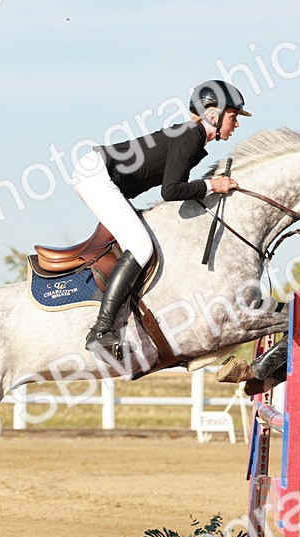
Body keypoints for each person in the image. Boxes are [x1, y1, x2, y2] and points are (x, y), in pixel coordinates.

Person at [74, 80, 250, 359]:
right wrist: (212, 185)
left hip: (99, 174)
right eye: (234, 116)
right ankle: (101, 331)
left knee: (142, 240)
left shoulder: (191, 136)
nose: (237, 124)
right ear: (213, 115)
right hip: (98, 175)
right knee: (141, 246)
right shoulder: (190, 135)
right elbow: (171, 191)